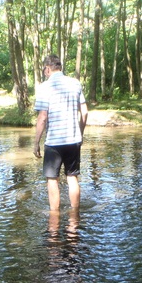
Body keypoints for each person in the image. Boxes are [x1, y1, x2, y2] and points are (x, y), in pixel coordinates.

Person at [33, 54, 88, 211]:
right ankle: (75, 215)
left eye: (44, 69)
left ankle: (54, 215)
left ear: (48, 69)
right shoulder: (75, 83)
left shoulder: (45, 87)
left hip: (54, 142)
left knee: (52, 180)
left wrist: (36, 142)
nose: (44, 72)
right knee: (72, 177)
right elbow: (84, 113)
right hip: (73, 139)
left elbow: (42, 117)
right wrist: (80, 134)